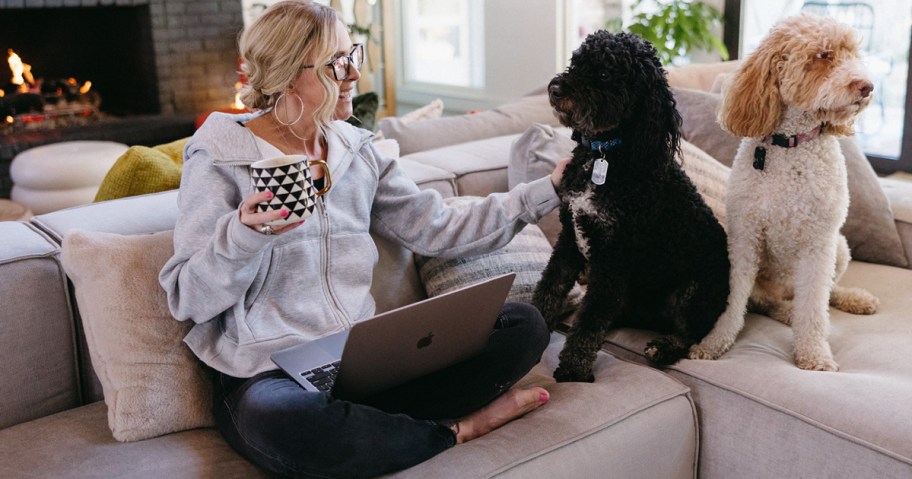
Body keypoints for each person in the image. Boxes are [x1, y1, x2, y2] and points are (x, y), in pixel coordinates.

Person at [159, 1, 567, 477]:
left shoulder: (360, 151)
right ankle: (454, 432)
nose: (353, 72)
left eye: (351, 54)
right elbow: (187, 299)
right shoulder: (218, 159)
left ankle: (373, 428)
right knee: (285, 422)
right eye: (336, 63)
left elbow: (436, 228)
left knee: (524, 325)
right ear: (289, 74)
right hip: (269, 373)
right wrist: (244, 237)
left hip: (361, 360)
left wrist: (548, 190)